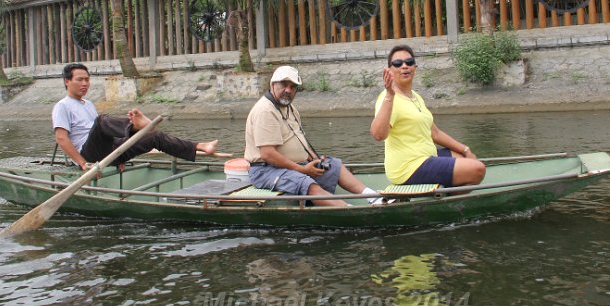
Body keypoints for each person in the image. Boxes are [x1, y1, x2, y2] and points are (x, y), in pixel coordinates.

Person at [244, 65, 382, 206]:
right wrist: (302, 169)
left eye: (293, 87)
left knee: (333, 165)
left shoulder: (290, 108)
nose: (288, 90)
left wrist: (314, 159)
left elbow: (300, 139)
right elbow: (268, 154)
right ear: (272, 85)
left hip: (293, 165)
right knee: (305, 181)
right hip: (265, 170)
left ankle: (373, 197)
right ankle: (349, 210)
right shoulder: (265, 111)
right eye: (284, 85)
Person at [53, 63, 219, 171]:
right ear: (67, 81)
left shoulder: (88, 104)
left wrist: (118, 157)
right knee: (102, 121)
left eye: (87, 80)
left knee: (155, 137)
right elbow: (62, 139)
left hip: (105, 150)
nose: (85, 84)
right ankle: (133, 125)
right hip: (87, 154)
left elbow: (103, 137)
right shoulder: (63, 106)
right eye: (80, 80)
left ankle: (200, 146)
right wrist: (83, 164)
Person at [370, 45, 486, 187]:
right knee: (478, 169)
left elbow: (435, 133)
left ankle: (443, 188)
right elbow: (378, 135)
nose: (404, 66)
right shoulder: (387, 98)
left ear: (415, 67)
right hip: (408, 167)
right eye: (398, 63)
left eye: (409, 62)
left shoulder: (416, 97)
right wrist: (389, 95)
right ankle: (447, 201)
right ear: (389, 70)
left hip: (426, 156)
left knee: (465, 158)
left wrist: (465, 149)